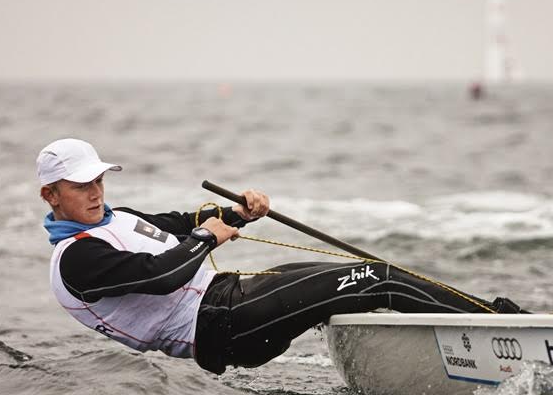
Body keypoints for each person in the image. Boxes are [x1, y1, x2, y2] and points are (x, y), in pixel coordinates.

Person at [39, 138, 523, 375]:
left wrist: (239, 212)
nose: (95, 191)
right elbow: (161, 275)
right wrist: (208, 239)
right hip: (221, 326)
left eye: (99, 179)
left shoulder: (114, 217)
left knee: (359, 281)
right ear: (51, 195)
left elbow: (183, 222)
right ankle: (509, 329)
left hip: (232, 298)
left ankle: (460, 346)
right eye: (81, 184)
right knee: (380, 278)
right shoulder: (75, 259)